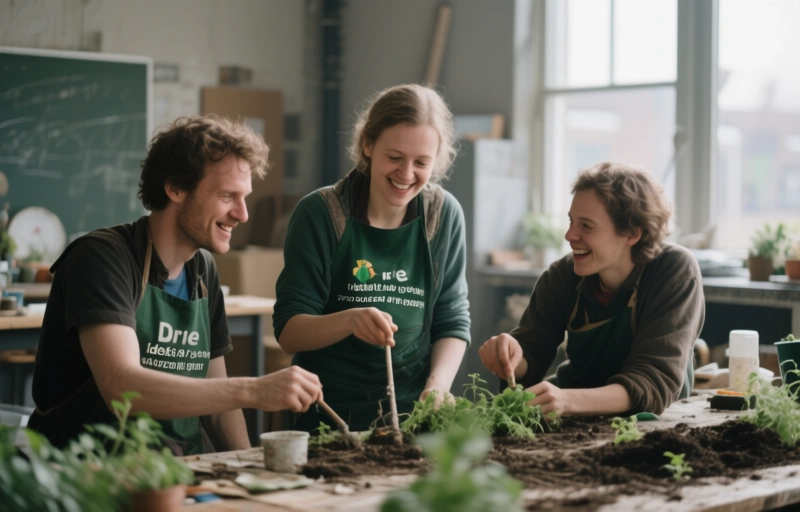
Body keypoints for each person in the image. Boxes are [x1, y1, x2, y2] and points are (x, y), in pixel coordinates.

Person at [29, 116, 323, 454]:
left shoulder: (203, 270)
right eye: (228, 195)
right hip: (94, 476)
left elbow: (219, 405)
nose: (242, 214)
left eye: (245, 197)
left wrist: (249, 467)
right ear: (175, 188)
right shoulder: (103, 257)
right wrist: (254, 390)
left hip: (179, 470)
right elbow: (121, 388)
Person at [273, 84, 471, 432]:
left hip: (414, 419)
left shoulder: (443, 215)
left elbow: (452, 319)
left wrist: (437, 387)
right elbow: (290, 333)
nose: (406, 174)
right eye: (394, 158)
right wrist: (349, 320)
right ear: (368, 144)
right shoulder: (321, 214)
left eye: (421, 162)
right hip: (330, 418)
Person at [479, 162, 704, 417]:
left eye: (586, 226)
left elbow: (651, 383)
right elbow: (530, 361)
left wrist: (566, 401)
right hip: (574, 413)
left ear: (631, 233)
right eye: (571, 221)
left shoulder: (674, 270)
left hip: (654, 422)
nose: (569, 235)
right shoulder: (562, 275)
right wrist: (510, 356)